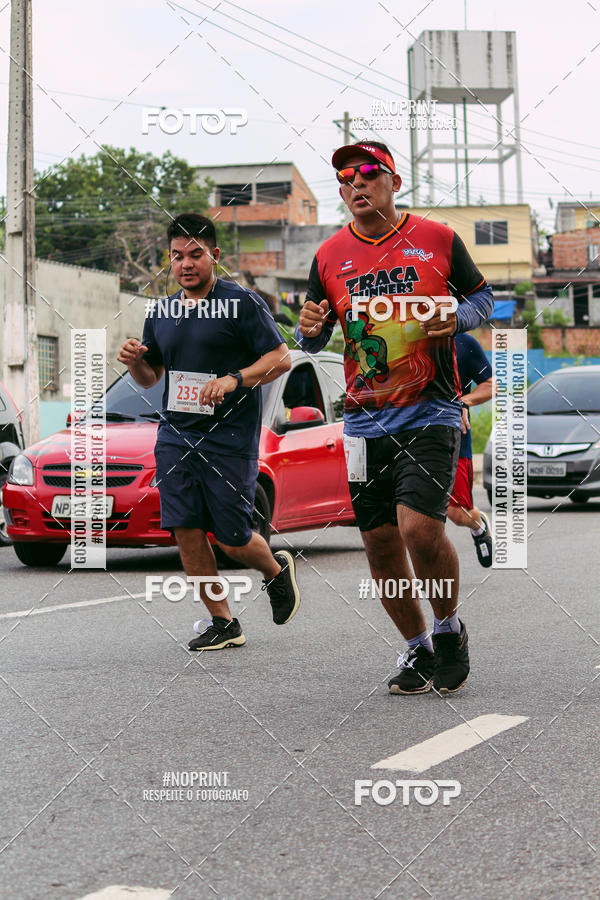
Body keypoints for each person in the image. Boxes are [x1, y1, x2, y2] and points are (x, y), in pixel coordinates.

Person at [296, 141, 493, 695]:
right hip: (362, 422)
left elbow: (484, 299)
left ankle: (449, 628)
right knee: (381, 545)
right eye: (344, 178)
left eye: (366, 173)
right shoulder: (329, 255)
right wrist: (309, 324)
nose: (355, 184)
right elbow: (311, 334)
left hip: (430, 410)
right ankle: (417, 650)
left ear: (394, 181)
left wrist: (457, 317)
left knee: (419, 529)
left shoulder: (437, 239)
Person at [117, 213, 301, 651]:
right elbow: (150, 377)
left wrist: (234, 379)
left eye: (196, 254)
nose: (186, 264)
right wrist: (133, 361)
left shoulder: (241, 303)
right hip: (176, 435)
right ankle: (224, 621)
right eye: (178, 256)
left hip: (229, 439)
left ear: (214, 256)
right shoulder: (161, 313)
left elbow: (281, 359)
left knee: (232, 537)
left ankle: (275, 570)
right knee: (186, 529)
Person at [447, 333, 493, 567]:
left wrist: (464, 402)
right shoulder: (402, 336)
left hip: (455, 437)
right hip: (410, 436)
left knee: (456, 513)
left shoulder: (463, 342)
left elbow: (490, 385)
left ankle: (479, 525)